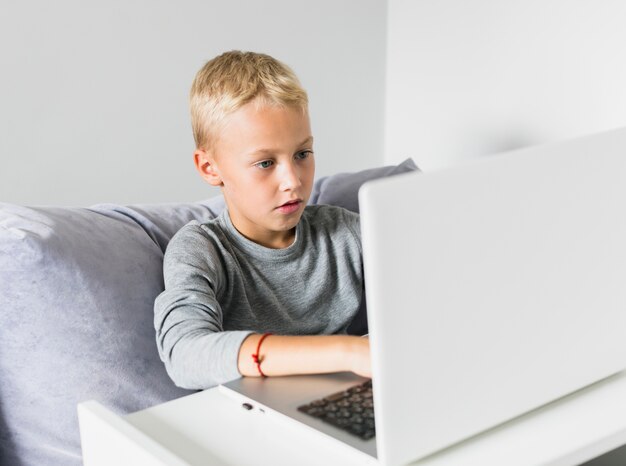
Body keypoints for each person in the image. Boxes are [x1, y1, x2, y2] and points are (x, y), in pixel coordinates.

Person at [154, 50, 370, 389]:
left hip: (348, 401)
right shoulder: (203, 248)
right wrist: (348, 351)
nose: (294, 181)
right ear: (210, 168)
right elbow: (185, 355)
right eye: (265, 163)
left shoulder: (344, 232)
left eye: (302, 154)